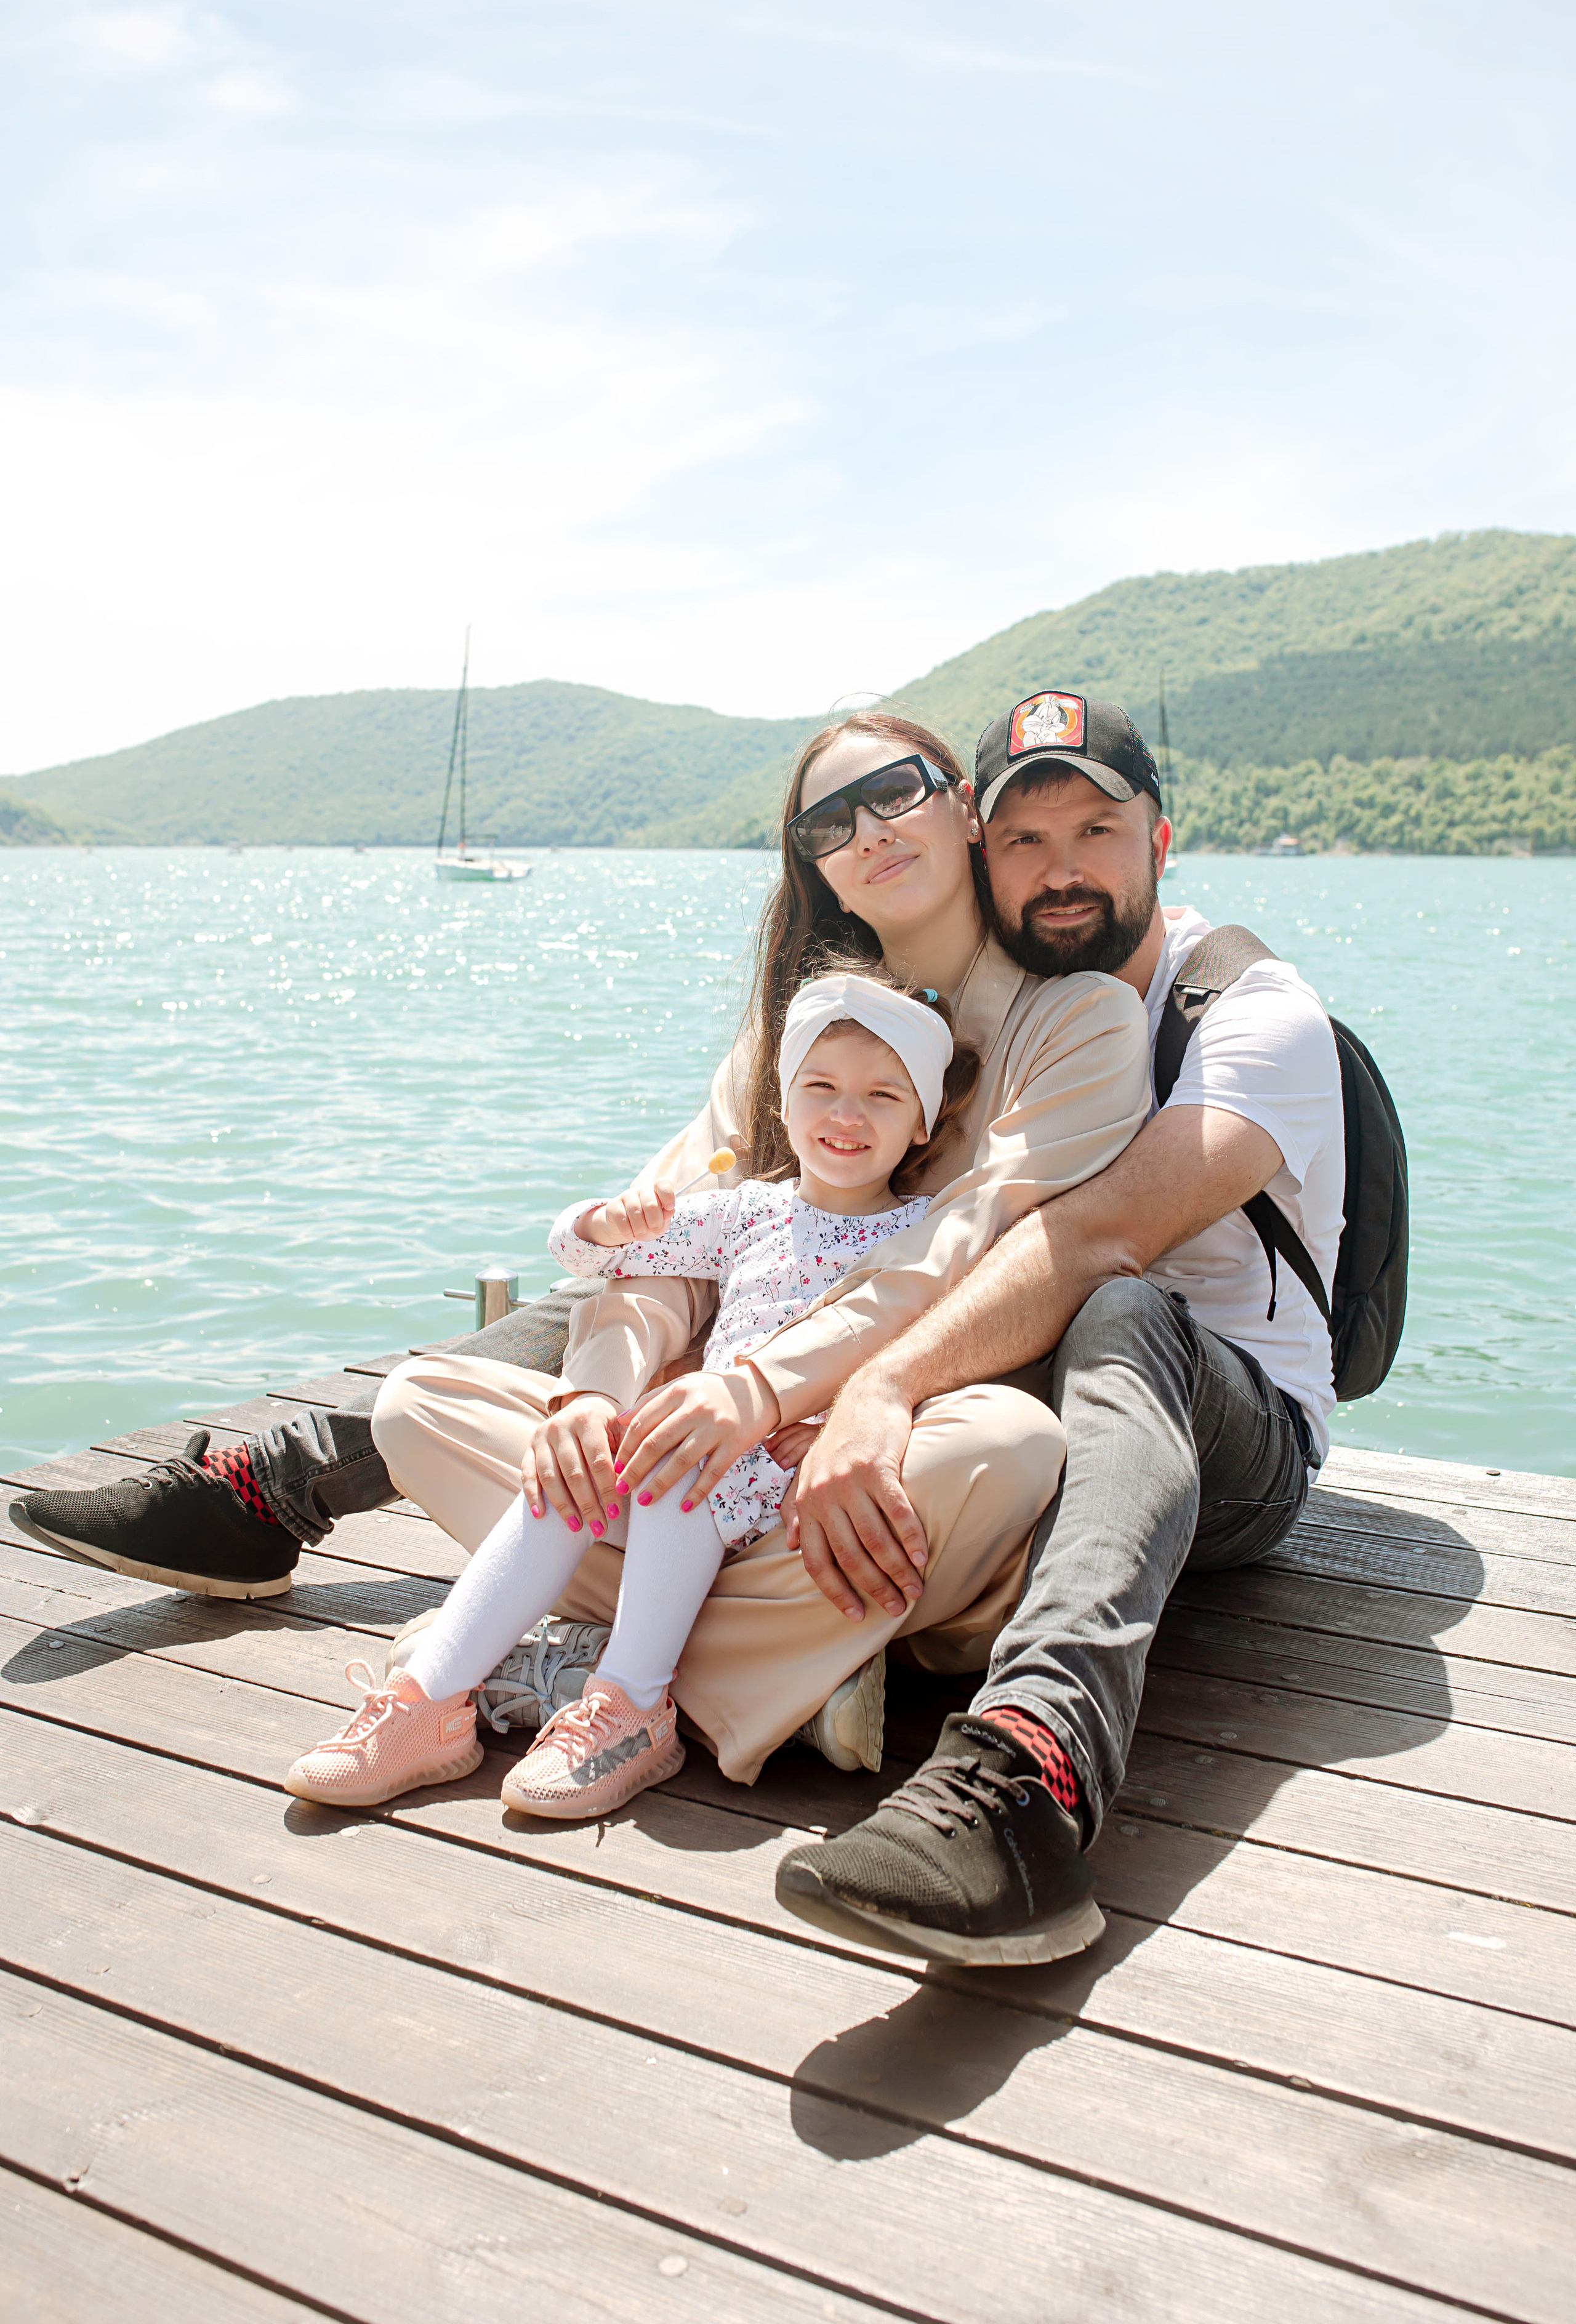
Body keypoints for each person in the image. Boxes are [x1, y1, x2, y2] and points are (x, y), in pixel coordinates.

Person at [17, 707, 1152, 1779]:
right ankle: (753, 1678)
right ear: (812, 865)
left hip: (874, 1447)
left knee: (1006, 1445)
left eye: (893, 795)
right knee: (424, 1403)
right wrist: (594, 1400)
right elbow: (655, 1238)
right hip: (708, 1474)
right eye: (827, 823)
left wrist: (768, 1390)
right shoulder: (787, 1033)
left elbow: (958, 1250)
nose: (867, 833)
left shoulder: (1079, 1021)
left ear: (962, 807)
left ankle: (560, 1658)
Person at [766, 688, 1342, 1967]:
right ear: (980, 852)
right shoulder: (983, 1011)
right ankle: (316, 1462)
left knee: (1124, 1308)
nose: (1062, 868)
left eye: (1095, 828)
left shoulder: (1256, 1017)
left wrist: (876, 1387)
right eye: (1024, 840)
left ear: (1159, 838)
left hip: (1233, 1442)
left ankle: (1027, 1787)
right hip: (1040, 1412)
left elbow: (1095, 1240)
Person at [284, 970, 1066, 1817]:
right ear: (784, 1100)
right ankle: (427, 1702)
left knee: (674, 1451)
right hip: (699, 1474)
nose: (848, 1116)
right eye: (822, 1088)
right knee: (573, 1478)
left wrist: (848, 1421)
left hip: (792, 1488)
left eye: (883, 1096)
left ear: (922, 1120)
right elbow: (594, 1260)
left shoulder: (921, 1227)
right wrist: (605, 1222)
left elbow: (943, 1350)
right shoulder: (747, 1212)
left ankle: (632, 1702)